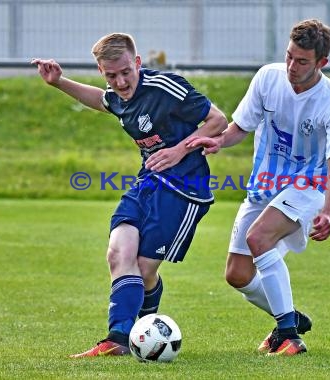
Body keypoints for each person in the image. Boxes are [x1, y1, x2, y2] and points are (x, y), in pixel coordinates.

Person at [32, 32, 227, 358]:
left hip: (184, 187)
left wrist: (179, 150)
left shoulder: (166, 88)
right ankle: (118, 337)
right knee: (117, 253)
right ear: (101, 71)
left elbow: (217, 120)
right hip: (148, 182)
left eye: (126, 72)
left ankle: (145, 326)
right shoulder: (116, 94)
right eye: (111, 75)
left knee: (144, 268)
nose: (120, 81)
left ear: (137, 62)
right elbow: (101, 100)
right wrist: (58, 82)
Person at [186, 18, 330, 356]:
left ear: (322, 63)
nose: (292, 65)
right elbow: (239, 127)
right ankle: (289, 317)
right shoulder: (267, 78)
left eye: (302, 61)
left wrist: (329, 212)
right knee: (237, 274)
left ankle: (289, 335)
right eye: (289, 56)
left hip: (308, 186)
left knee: (258, 238)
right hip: (264, 185)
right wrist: (217, 141)